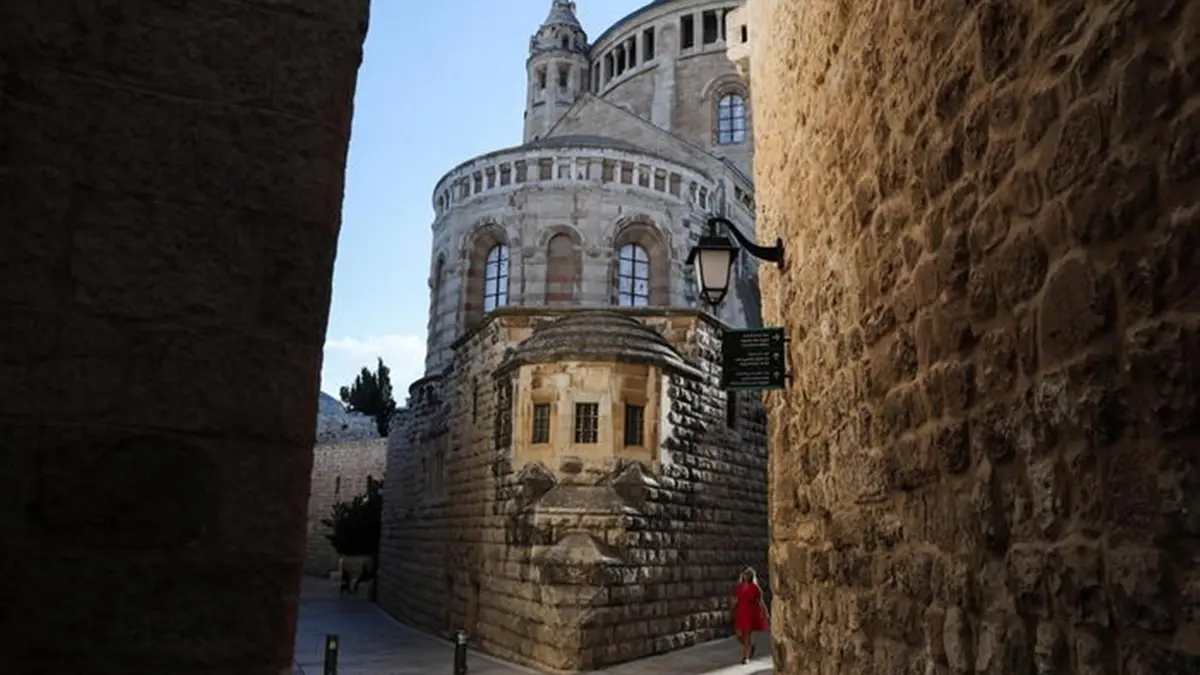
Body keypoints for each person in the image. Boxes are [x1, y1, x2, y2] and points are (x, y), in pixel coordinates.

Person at [732, 567, 768, 664]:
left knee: (747, 635)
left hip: (750, 613)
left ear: (751, 576)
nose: (746, 576)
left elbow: (761, 602)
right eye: (744, 574)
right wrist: (733, 607)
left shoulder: (755, 587)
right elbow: (737, 599)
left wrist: (765, 613)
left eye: (748, 574)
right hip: (740, 612)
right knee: (739, 635)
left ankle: (746, 657)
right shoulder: (739, 586)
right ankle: (750, 646)